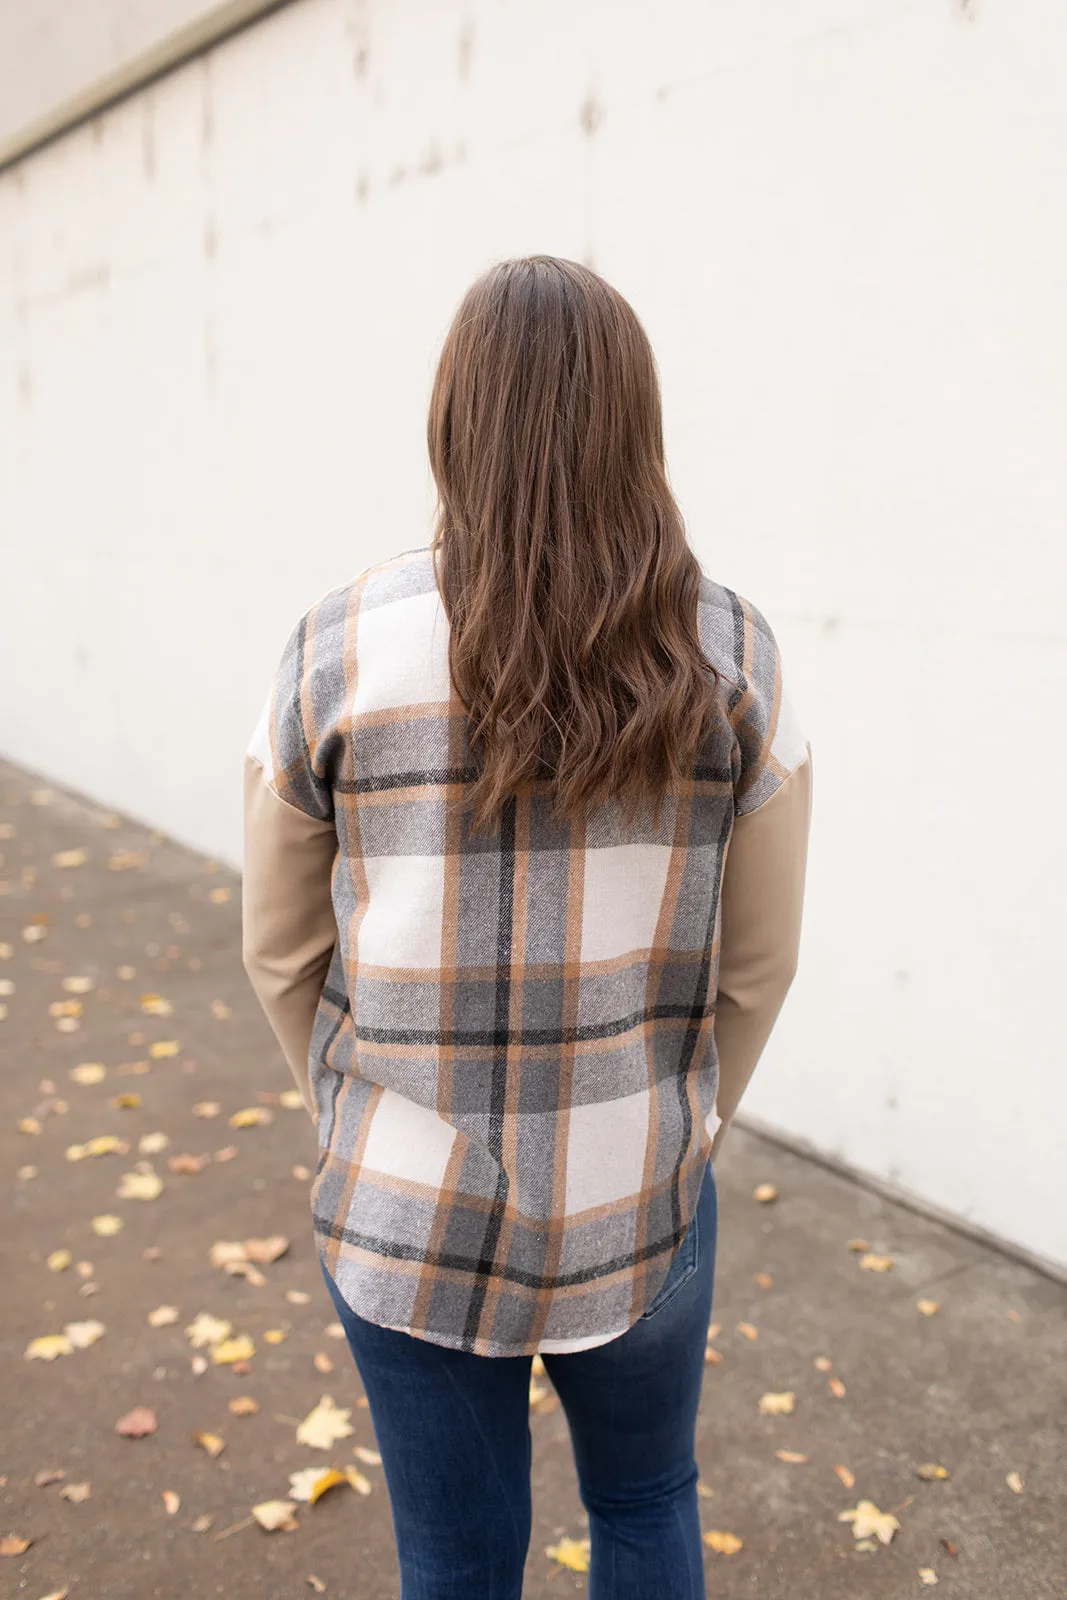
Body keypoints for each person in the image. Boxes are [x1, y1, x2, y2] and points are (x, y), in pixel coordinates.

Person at [242, 254, 812, 1600]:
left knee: (452, 1557)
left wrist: (348, 1113)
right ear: (637, 420)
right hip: (642, 1193)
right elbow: (761, 961)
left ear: (452, 418)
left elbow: (275, 948)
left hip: (404, 1198)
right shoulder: (732, 652)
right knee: (645, 1499)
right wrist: (690, 1116)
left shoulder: (337, 644)